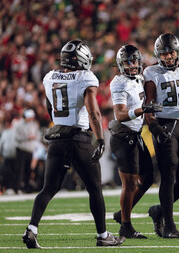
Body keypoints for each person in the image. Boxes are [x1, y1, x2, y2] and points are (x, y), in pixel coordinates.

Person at [22, 40, 124, 248]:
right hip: (79, 139)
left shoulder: (49, 77)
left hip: (58, 139)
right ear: (82, 58)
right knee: (95, 188)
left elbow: (51, 108)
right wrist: (101, 139)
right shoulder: (85, 77)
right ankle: (103, 235)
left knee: (48, 188)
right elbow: (94, 113)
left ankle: (32, 229)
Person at [144, 33, 179, 238]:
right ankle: (168, 226)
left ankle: (159, 211)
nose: (167, 57)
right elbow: (148, 104)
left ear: (178, 52)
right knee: (168, 175)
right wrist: (154, 127)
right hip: (164, 124)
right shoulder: (152, 72)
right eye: (163, 54)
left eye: (171, 52)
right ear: (158, 54)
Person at [109, 44, 162, 238]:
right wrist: (143, 110)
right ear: (120, 64)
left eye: (135, 61)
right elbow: (120, 114)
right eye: (127, 62)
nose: (132, 65)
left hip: (136, 134)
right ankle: (125, 225)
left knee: (147, 178)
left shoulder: (141, 77)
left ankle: (121, 213)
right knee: (130, 184)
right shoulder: (118, 83)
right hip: (123, 136)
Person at [15, 109, 40, 193]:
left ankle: (27, 187)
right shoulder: (19, 125)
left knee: (28, 170)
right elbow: (17, 138)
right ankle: (18, 187)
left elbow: (38, 135)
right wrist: (27, 137)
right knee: (20, 170)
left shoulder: (33, 125)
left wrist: (34, 137)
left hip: (30, 150)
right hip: (21, 149)